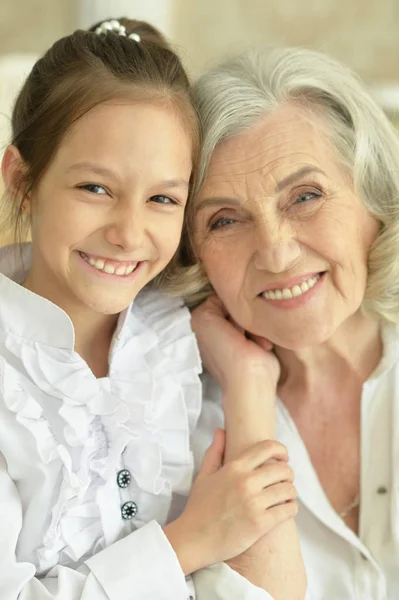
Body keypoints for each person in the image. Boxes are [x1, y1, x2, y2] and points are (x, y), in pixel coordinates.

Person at [0, 20, 300, 600]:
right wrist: (188, 541)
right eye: (96, 188)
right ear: (22, 180)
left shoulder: (181, 337)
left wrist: (245, 380)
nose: (129, 233)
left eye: (163, 198)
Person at [168, 46, 399, 599]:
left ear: (374, 195)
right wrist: (248, 392)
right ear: (192, 251)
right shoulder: (171, 422)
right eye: (225, 220)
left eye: (305, 196)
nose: (275, 252)